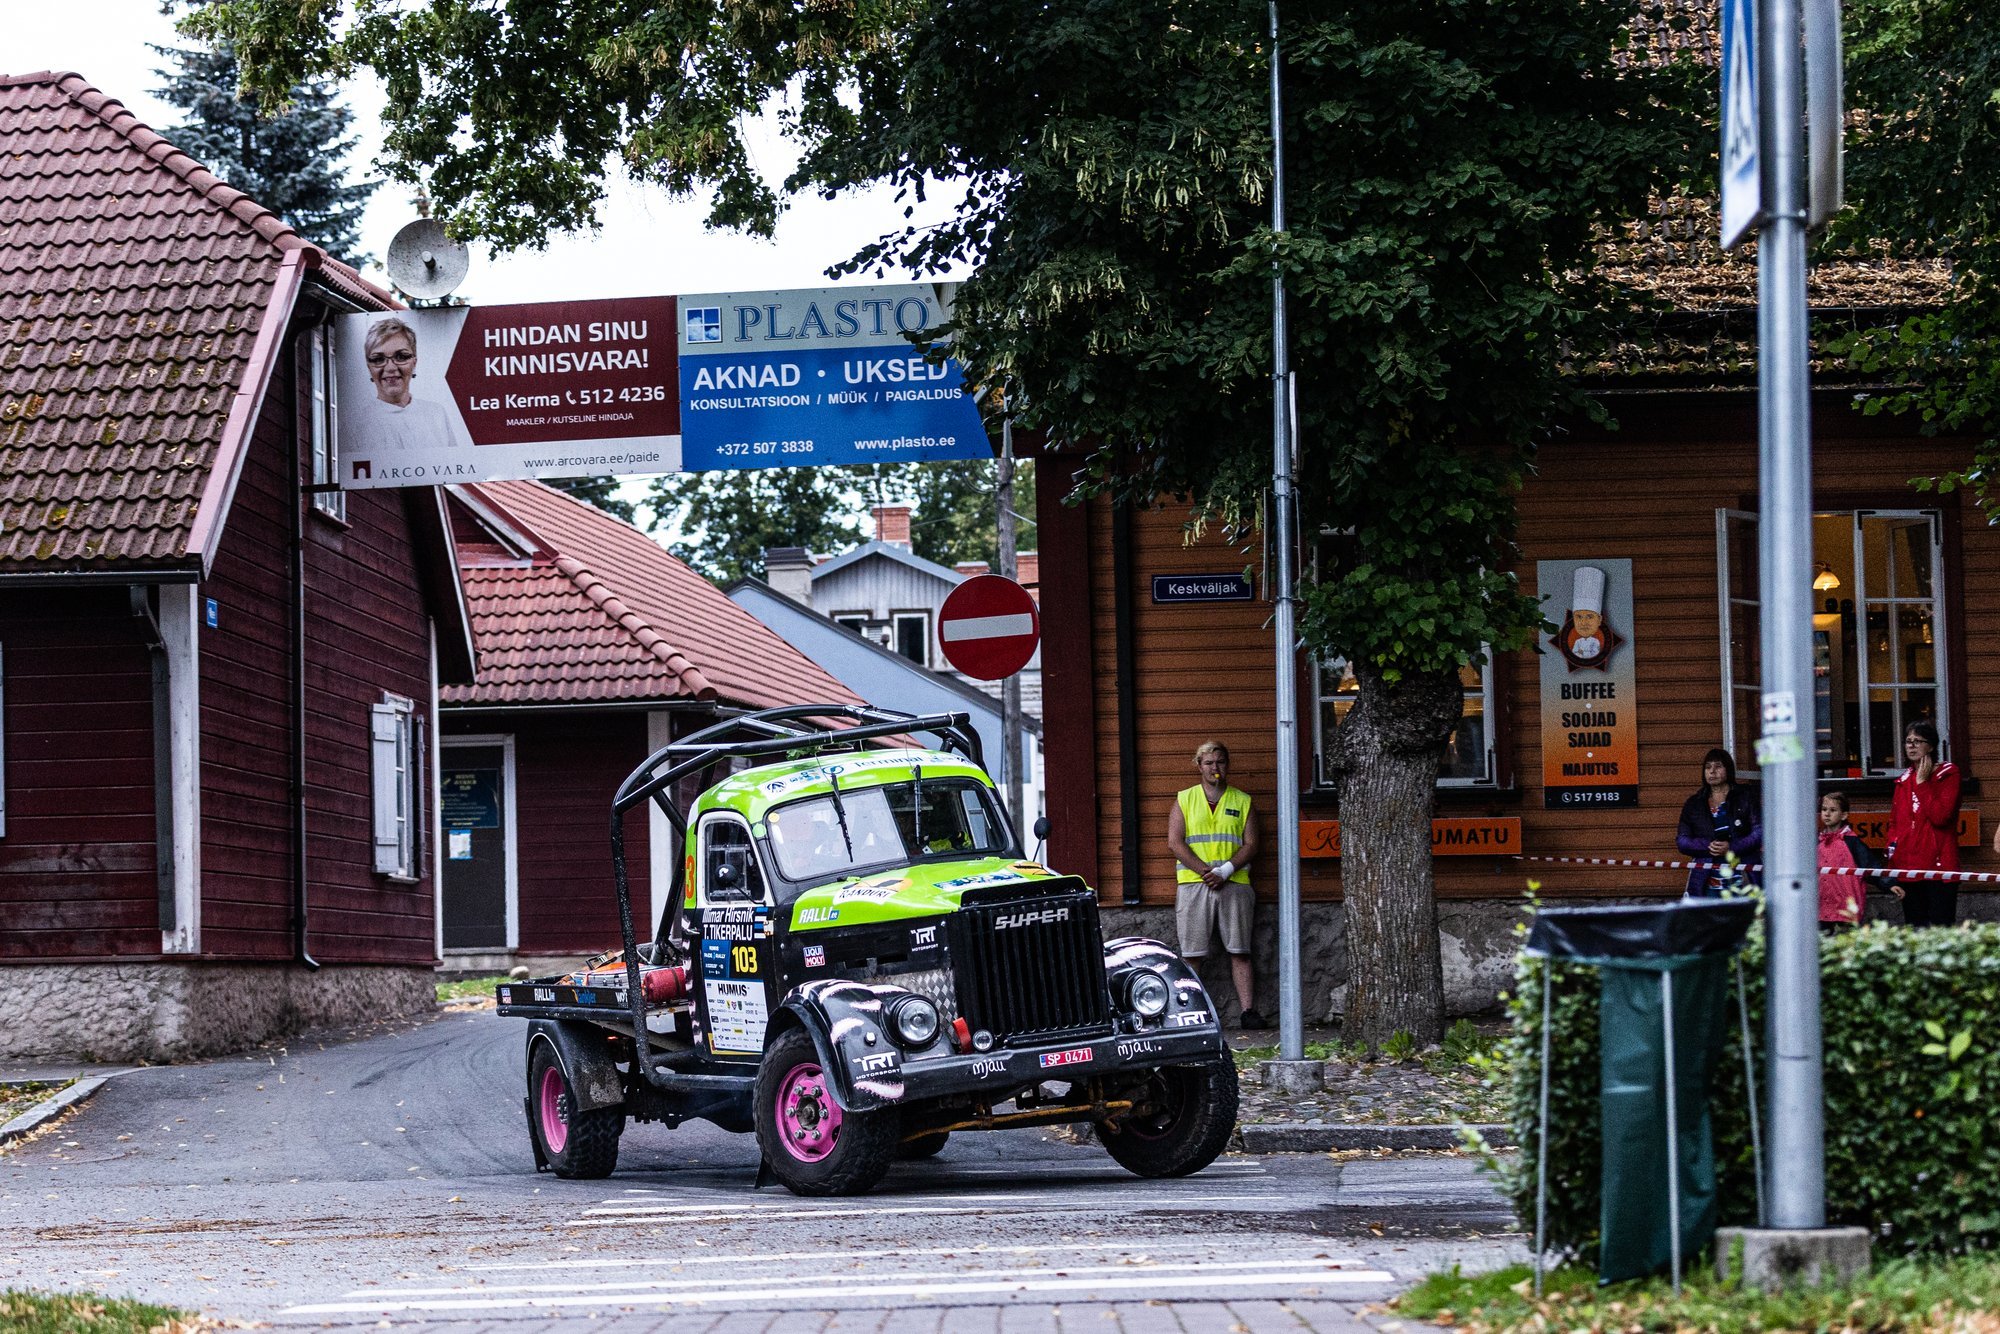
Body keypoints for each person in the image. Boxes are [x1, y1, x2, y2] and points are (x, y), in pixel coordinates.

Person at [1166, 741, 1266, 1028]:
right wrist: (1205, 871)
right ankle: (1191, 1014)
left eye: (1220, 762)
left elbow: (1251, 844)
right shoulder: (1184, 799)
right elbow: (1175, 842)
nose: (1215, 768)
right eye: (1209, 763)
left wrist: (1225, 870)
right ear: (1199, 766)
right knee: (1193, 953)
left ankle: (1248, 1012)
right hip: (1194, 884)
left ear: (1227, 765)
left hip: (1234, 882)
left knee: (1240, 950)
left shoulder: (1242, 801)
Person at [1888, 720, 1960, 926]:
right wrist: (1893, 865)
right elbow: (1895, 825)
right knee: (1915, 929)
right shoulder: (1903, 780)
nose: (1911, 745)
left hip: (1939, 868)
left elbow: (1940, 817)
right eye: (1908, 741)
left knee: (1940, 930)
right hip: (1908, 868)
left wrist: (1922, 783)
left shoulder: (1948, 773)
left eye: (1918, 741)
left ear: (1931, 746)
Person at [356, 317, 460, 453]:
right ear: (369, 367)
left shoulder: (436, 414)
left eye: (401, 357)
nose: (390, 367)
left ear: (414, 363)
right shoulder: (358, 424)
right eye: (378, 359)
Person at [1675, 747, 1761, 896]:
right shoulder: (1694, 803)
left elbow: (1760, 832)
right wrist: (1709, 846)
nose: (1712, 771)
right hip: (1706, 881)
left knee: (1747, 918)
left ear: (1728, 769)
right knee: (1706, 918)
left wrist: (1731, 847)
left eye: (1718, 766)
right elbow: (1682, 841)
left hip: (1744, 878)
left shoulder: (1746, 797)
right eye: (1708, 767)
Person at [1817, 790, 1886, 930]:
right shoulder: (1816, 842)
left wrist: (1888, 883)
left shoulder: (1852, 842)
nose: (1827, 814)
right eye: (1824, 809)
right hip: (1820, 905)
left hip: (1846, 906)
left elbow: (1870, 865)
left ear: (1844, 815)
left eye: (1832, 810)